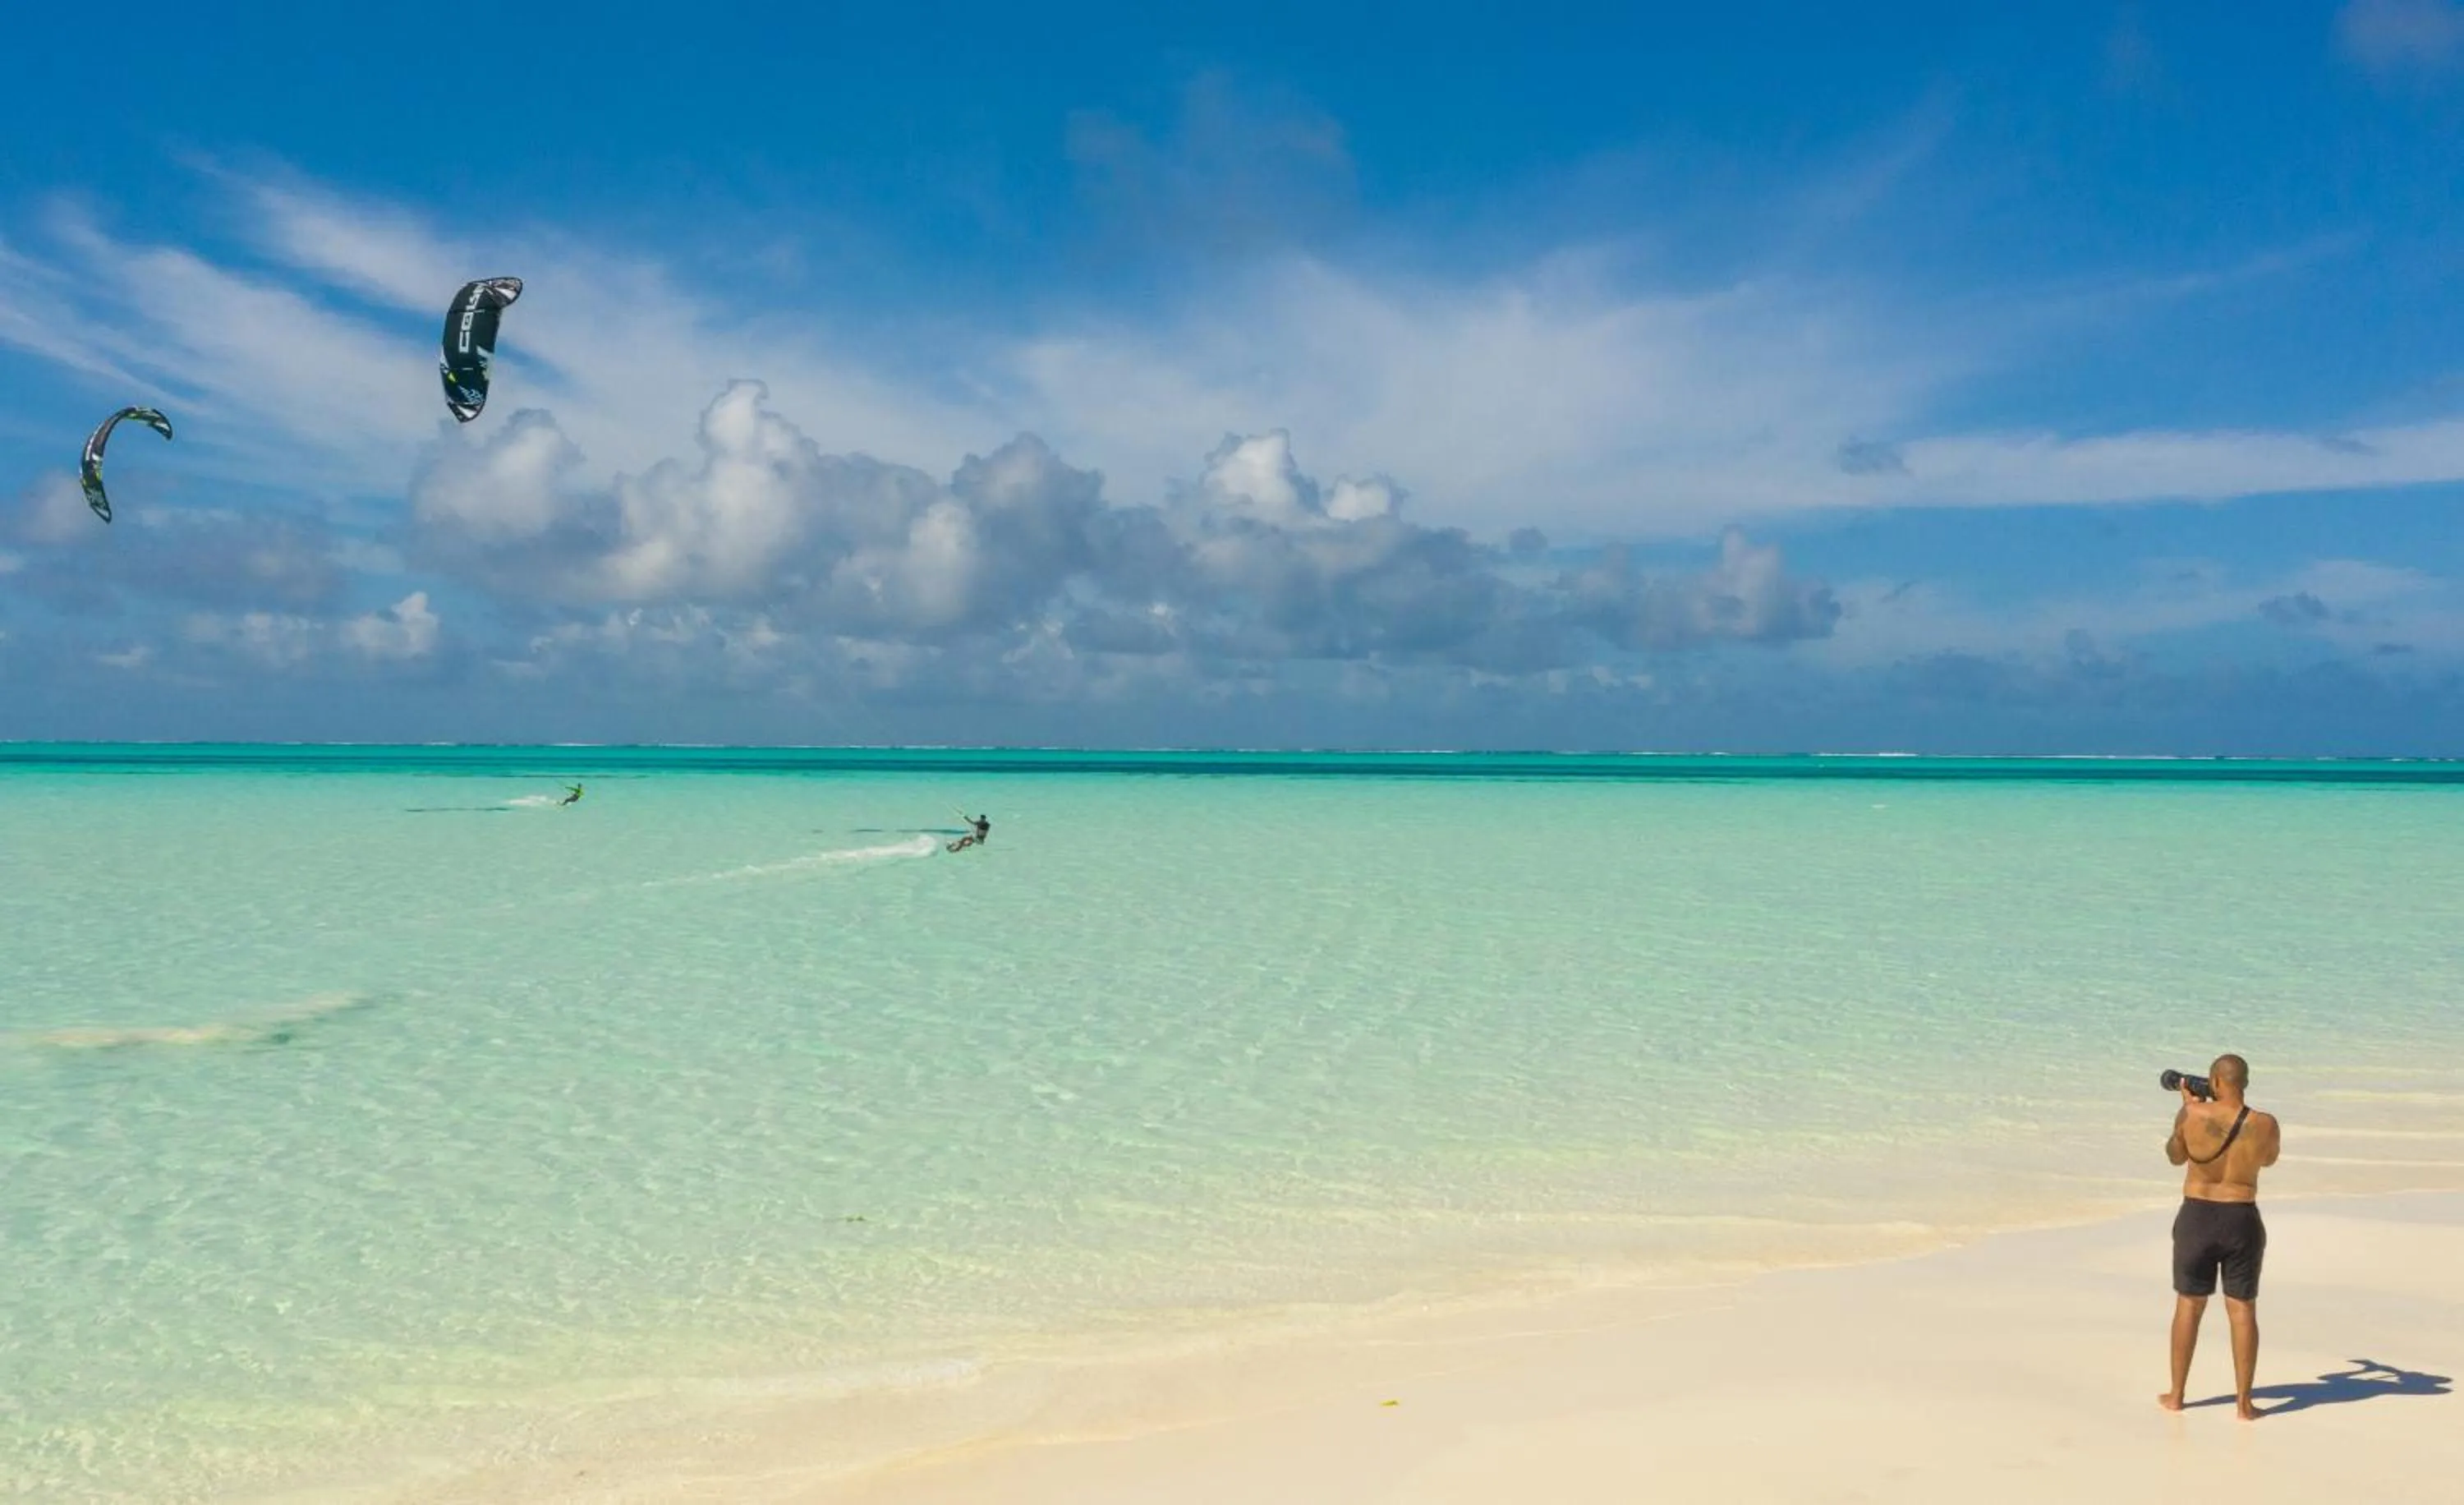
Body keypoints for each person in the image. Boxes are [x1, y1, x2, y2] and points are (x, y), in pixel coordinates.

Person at [2158, 1053, 2282, 1420]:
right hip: (2241, 1216)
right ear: (2244, 1081)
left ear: (2214, 1081)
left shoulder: (2192, 1115)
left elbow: (2174, 1156)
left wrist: (2188, 1113)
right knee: (2242, 1309)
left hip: (2198, 1215)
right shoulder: (2266, 1123)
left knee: (2189, 1305)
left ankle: (2177, 1395)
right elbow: (2268, 1160)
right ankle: (2244, 1404)